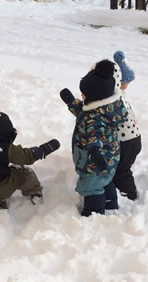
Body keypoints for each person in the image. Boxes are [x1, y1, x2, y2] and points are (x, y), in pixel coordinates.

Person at [60, 59, 128, 216]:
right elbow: (82, 111)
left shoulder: (95, 117)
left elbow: (94, 134)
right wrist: (71, 102)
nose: (81, 95)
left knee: (92, 186)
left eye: (83, 93)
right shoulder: (106, 108)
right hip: (110, 159)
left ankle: (93, 214)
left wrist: (94, 151)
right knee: (106, 180)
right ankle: (110, 204)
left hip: (95, 161)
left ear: (95, 96)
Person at [112, 50, 142, 201]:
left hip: (126, 141)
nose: (126, 87)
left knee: (121, 169)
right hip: (133, 138)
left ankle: (130, 194)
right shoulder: (120, 96)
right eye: (126, 83)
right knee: (122, 167)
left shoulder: (115, 98)